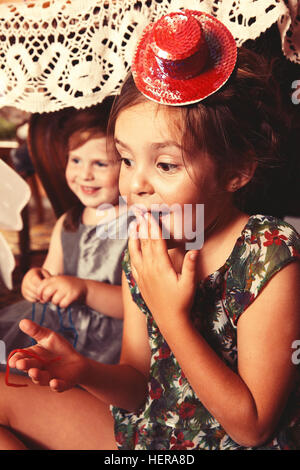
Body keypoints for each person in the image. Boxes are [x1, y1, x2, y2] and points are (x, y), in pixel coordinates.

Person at [0, 10, 299, 450]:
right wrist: (83, 370)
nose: (135, 185)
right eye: (125, 159)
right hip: (151, 434)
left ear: (236, 170)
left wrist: (170, 313)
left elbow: (252, 427)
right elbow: (140, 385)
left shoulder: (269, 255)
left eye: (165, 164)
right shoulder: (144, 246)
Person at [0, 97, 130, 365]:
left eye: (100, 163)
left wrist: (86, 291)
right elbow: (51, 275)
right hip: (61, 328)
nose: (84, 174)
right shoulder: (68, 223)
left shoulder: (138, 226)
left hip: (113, 342)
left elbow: (142, 308)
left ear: (128, 167)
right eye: (76, 160)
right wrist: (34, 282)